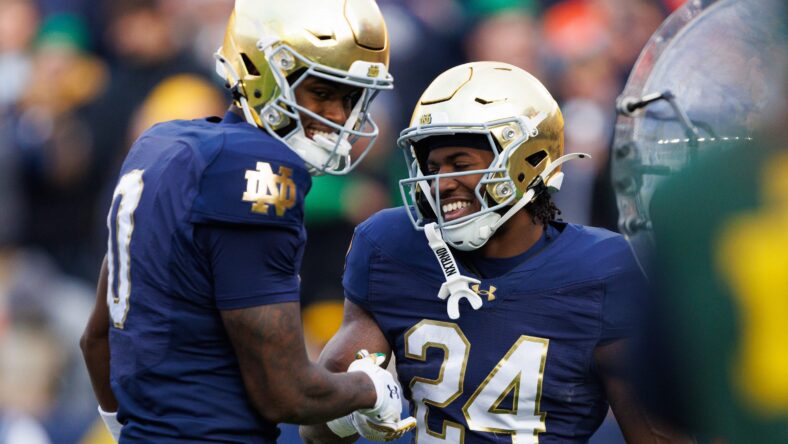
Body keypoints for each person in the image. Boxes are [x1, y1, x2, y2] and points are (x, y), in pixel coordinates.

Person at [79, 0, 416, 442]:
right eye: (321, 92)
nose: (338, 115)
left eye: (350, 97)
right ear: (263, 76)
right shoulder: (257, 169)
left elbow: (96, 340)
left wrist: (122, 424)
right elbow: (285, 393)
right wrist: (370, 389)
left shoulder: (160, 142)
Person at [300, 62, 690, 443]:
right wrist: (357, 405)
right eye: (432, 167)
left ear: (527, 162)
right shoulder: (392, 244)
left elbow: (656, 432)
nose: (441, 183)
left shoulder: (601, 269)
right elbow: (314, 427)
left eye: (460, 163)